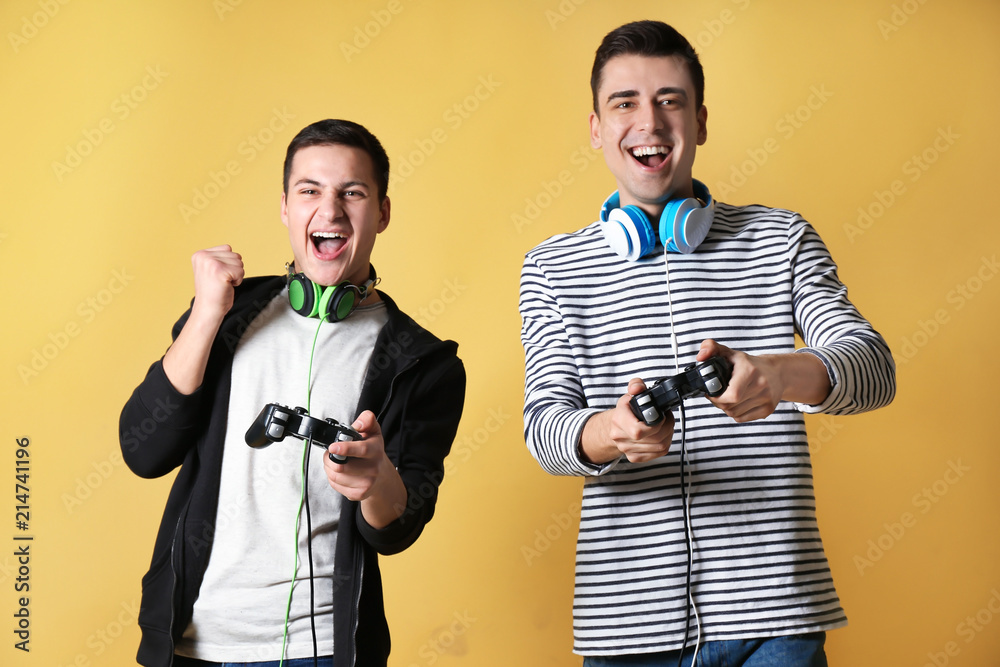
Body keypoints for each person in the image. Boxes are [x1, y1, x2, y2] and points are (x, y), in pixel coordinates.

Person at [519, 20, 895, 666]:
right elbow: (544, 429)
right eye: (625, 103)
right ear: (596, 128)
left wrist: (778, 376)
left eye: (670, 100)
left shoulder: (781, 238)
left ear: (700, 121)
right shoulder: (551, 268)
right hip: (627, 626)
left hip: (776, 616)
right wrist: (611, 432)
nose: (650, 122)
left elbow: (874, 367)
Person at [120, 119, 466, 667]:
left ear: (382, 212)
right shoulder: (226, 314)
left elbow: (398, 528)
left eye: (352, 193)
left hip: (321, 648)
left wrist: (377, 481)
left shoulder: (422, 363)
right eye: (310, 191)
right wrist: (206, 313)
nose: (330, 211)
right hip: (191, 640)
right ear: (285, 207)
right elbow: (144, 450)